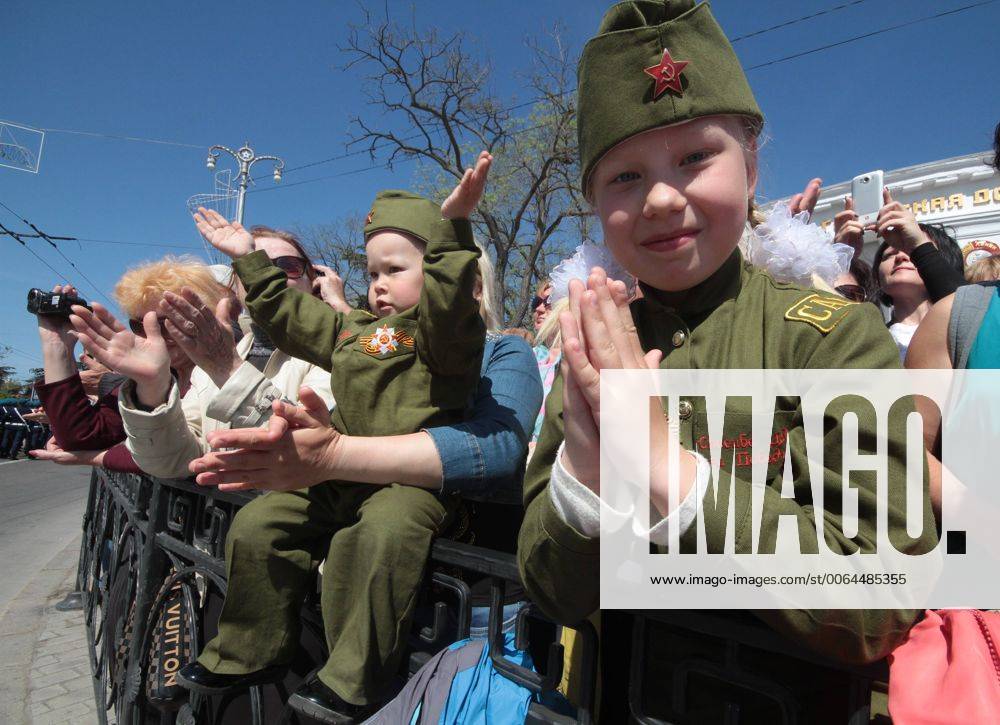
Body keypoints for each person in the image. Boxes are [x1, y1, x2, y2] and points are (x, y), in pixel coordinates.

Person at [516, 2, 935, 720]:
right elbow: (550, 587)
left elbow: (881, 596)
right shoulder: (594, 348)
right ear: (592, 203)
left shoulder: (832, 337)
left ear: (750, 163)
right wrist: (584, 477)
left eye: (694, 157)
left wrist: (667, 472)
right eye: (622, 176)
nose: (659, 197)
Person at [176, 153, 493, 722]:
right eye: (371, 273)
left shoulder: (442, 337)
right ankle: (249, 649)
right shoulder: (360, 333)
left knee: (372, 541)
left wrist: (452, 235)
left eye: (395, 270)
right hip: (334, 473)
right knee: (260, 524)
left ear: (435, 269)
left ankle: (351, 677)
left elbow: (452, 314)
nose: (378, 285)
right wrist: (248, 258)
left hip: (404, 481)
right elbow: (292, 316)